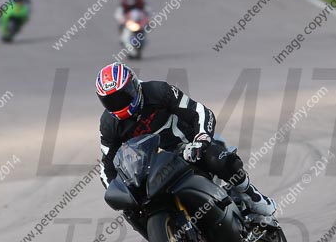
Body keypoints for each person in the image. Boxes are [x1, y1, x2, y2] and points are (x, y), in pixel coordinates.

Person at [95, 63, 277, 218]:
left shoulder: (158, 91)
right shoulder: (109, 123)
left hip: (187, 148)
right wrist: (117, 190)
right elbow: (107, 164)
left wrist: (201, 140)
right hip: (151, 168)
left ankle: (250, 195)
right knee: (132, 210)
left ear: (133, 85)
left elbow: (199, 111)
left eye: (122, 96)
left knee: (217, 158)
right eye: (110, 100)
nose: (118, 103)